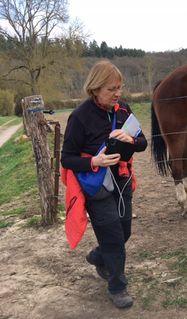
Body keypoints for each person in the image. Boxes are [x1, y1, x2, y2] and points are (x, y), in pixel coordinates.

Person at [61, 60, 147, 308]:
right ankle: (117, 286)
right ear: (95, 88)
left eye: (119, 87)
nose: (117, 93)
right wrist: (94, 161)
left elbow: (142, 143)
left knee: (125, 232)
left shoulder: (123, 110)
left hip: (122, 180)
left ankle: (98, 256)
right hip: (96, 187)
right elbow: (67, 158)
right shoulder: (79, 117)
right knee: (113, 238)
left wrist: (130, 137)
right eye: (111, 88)